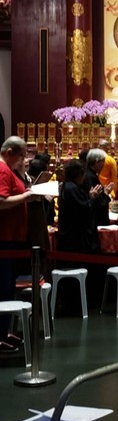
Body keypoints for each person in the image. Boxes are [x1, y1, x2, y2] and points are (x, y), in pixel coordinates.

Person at [0, 136, 31, 351]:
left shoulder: (8, 170)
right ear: (9, 152)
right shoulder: (3, 170)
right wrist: (26, 198)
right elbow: (1, 201)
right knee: (3, 287)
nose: (22, 160)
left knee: (8, 286)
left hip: (11, 236)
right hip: (4, 237)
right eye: (21, 155)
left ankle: (4, 331)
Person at [57, 159, 103, 254]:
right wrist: (93, 197)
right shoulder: (72, 188)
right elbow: (84, 209)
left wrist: (89, 196)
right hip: (75, 236)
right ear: (79, 174)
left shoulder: (68, 185)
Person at [83, 148, 113, 227]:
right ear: (97, 162)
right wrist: (106, 193)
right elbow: (98, 203)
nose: (104, 164)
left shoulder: (88, 174)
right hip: (94, 221)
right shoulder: (90, 177)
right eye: (103, 161)